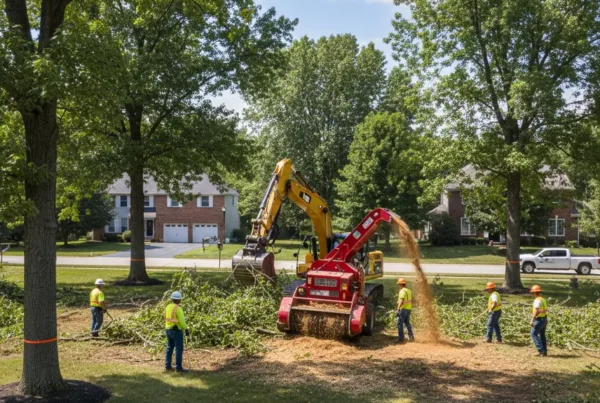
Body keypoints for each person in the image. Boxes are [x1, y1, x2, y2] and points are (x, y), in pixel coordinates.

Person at [165, 291, 190, 372]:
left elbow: (165, 316)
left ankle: (167, 366)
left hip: (168, 329)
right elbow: (182, 321)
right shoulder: (178, 309)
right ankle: (178, 368)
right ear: (179, 300)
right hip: (176, 330)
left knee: (169, 348)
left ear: (172, 299)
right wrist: (186, 329)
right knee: (179, 349)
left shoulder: (168, 306)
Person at [530, 285, 548, 357]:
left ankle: (541, 350)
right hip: (544, 319)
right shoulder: (543, 299)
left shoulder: (537, 300)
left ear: (534, 293)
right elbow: (545, 310)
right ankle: (545, 351)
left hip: (539, 320)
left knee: (533, 334)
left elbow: (536, 312)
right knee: (542, 335)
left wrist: (532, 320)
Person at [396, 278, 414, 343]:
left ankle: (401, 338)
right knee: (407, 322)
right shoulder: (409, 290)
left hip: (403, 309)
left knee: (399, 323)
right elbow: (408, 300)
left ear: (400, 284)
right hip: (408, 309)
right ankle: (411, 337)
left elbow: (401, 300)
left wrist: (398, 309)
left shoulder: (402, 291)